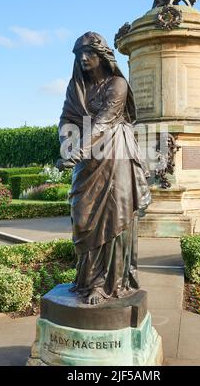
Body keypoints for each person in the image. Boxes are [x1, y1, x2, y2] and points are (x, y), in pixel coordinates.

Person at [58, 32, 151, 305]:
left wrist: (78, 151)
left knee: (114, 217)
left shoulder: (118, 84)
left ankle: (107, 283)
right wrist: (66, 145)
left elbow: (104, 122)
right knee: (82, 214)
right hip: (87, 161)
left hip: (116, 156)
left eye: (89, 53)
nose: (84, 59)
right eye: (79, 55)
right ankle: (87, 280)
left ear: (102, 56)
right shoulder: (76, 88)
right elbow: (66, 119)